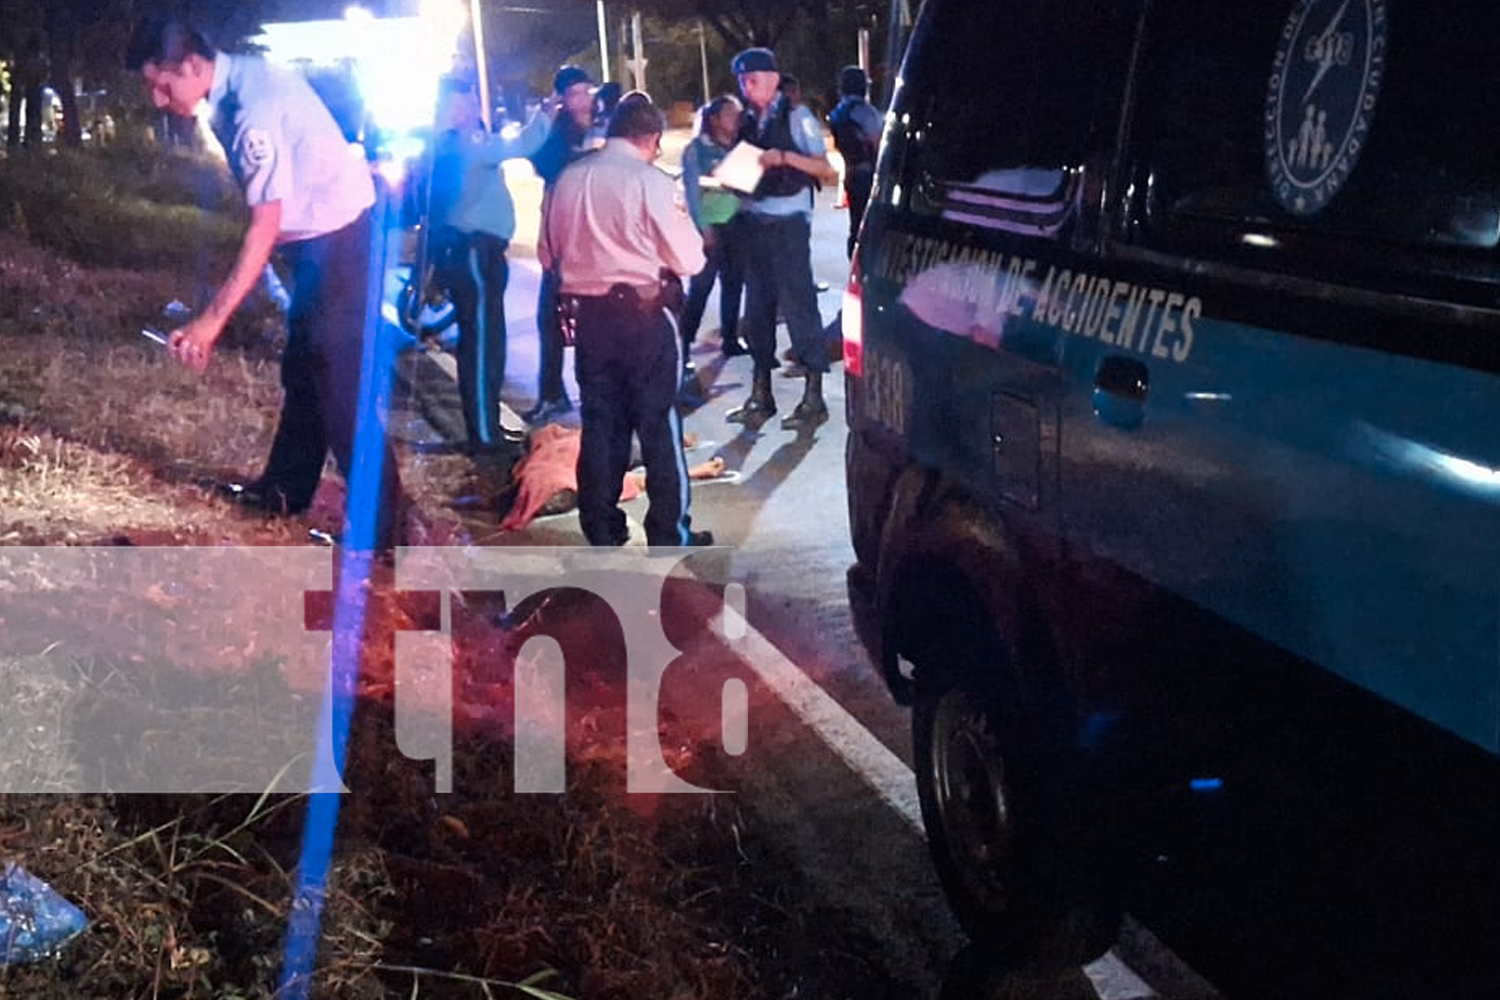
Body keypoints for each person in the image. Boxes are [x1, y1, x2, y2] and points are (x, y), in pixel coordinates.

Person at [125, 16, 405, 549]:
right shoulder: (244, 84)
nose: (160, 100)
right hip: (326, 240)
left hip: (341, 241)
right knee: (305, 371)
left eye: (162, 85)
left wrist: (211, 322)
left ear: (190, 65)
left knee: (341, 387)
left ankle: (387, 535)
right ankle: (282, 493)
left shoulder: (252, 110)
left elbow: (264, 225)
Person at [539, 92, 712, 547]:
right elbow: (690, 258)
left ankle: (600, 526)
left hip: (589, 320)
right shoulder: (649, 181)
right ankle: (669, 533)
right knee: (658, 425)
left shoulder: (567, 179)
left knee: (601, 426)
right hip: (644, 317)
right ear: (652, 138)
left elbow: (547, 253)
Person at [425, 75, 549, 455]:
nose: (474, 106)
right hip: (473, 251)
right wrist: (544, 114)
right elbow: (523, 144)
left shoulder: (449, 143)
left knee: (490, 341)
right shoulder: (460, 143)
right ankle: (482, 435)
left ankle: (489, 425)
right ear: (453, 106)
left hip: (478, 250)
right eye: (468, 100)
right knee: (481, 345)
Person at [725, 47, 839, 431]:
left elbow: (826, 171)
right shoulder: (746, 120)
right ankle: (761, 394)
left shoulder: (797, 117)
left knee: (799, 308)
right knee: (757, 313)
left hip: (788, 225)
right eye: (742, 79)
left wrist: (784, 158)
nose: (746, 84)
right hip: (753, 222)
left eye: (753, 77)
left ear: (774, 78)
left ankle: (814, 397)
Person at [523, 64, 598, 427]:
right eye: (573, 94)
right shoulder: (558, 135)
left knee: (597, 320)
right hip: (563, 234)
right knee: (550, 319)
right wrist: (545, 239)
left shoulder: (607, 128)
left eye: (586, 91)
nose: (582, 100)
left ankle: (601, 391)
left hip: (599, 236)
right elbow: (545, 175)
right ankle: (551, 393)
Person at [679, 94, 748, 363]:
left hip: (736, 223)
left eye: (737, 114)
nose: (735, 119)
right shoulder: (697, 150)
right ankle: (684, 345)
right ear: (714, 119)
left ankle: (729, 339)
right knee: (701, 288)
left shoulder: (739, 149)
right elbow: (693, 194)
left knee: (733, 284)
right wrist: (703, 228)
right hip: (710, 227)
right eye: (729, 114)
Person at [828, 65, 882, 258]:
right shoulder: (865, 112)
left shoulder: (838, 112)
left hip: (850, 172)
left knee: (855, 222)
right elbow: (878, 143)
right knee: (872, 224)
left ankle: (853, 262)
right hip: (869, 174)